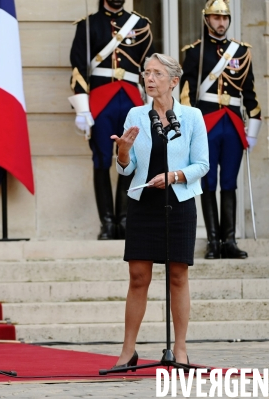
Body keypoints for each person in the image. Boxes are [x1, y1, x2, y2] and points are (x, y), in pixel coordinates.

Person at [110, 53, 209, 368]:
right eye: (146, 73)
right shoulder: (136, 115)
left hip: (178, 201)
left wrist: (174, 176)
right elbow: (127, 169)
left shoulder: (192, 116)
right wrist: (123, 154)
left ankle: (180, 349)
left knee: (178, 276)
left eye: (156, 73)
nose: (149, 79)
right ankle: (128, 350)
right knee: (138, 277)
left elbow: (202, 165)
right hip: (143, 203)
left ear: (174, 81)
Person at [180, 0, 261, 259]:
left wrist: (254, 128)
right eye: (216, 18)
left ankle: (229, 241)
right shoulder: (195, 52)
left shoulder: (241, 53)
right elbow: (186, 94)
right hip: (207, 123)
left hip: (234, 124)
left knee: (229, 183)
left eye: (224, 18)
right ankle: (213, 241)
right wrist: (188, 127)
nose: (221, 23)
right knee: (208, 181)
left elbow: (250, 93)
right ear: (207, 20)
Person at [69, 0, 154, 240]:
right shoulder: (88, 25)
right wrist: (82, 108)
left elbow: (149, 70)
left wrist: (151, 105)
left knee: (130, 159)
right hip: (100, 102)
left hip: (131, 101)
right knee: (102, 159)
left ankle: (125, 220)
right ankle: (107, 222)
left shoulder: (141, 25)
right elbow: (78, 68)